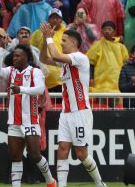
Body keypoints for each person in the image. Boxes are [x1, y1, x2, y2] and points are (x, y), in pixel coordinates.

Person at [39, 27, 106, 187]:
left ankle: (99, 183)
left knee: (81, 153)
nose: (61, 43)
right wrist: (44, 39)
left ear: (74, 42)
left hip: (80, 112)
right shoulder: (65, 63)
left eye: (64, 40)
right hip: (66, 113)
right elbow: (44, 58)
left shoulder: (80, 57)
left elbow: (54, 55)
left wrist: (49, 38)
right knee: (62, 149)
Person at [0, 44, 56, 187]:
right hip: (14, 121)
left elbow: (40, 89)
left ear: (26, 57)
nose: (14, 58)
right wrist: (1, 53)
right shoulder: (11, 71)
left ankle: (50, 181)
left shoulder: (35, 72)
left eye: (17, 56)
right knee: (16, 156)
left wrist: (20, 89)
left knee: (34, 155)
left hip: (31, 120)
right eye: (13, 55)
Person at [87, 21, 129, 107]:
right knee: (100, 106)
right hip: (100, 80)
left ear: (114, 32)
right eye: (105, 29)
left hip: (116, 80)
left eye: (109, 29)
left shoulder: (121, 47)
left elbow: (126, 64)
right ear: (101, 31)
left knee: (115, 105)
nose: (107, 31)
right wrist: (91, 77)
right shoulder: (97, 45)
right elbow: (90, 63)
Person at [31, 8, 66, 92]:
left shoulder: (67, 32)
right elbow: (32, 50)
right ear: (48, 19)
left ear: (61, 19)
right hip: (42, 78)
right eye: (52, 17)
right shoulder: (38, 33)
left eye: (57, 18)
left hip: (62, 78)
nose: (54, 20)